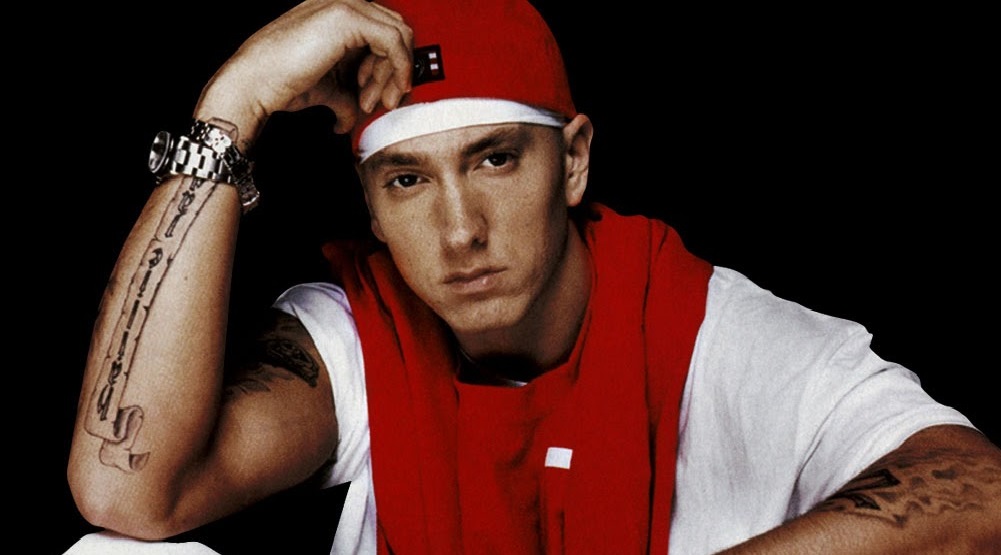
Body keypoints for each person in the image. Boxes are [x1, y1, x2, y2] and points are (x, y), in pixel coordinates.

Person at [65, 0, 1001, 553]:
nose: (459, 230)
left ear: (574, 161)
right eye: (406, 180)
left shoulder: (716, 329)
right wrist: (231, 109)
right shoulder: (357, 333)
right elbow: (126, 487)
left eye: (495, 159)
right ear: (370, 206)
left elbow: (979, 491)